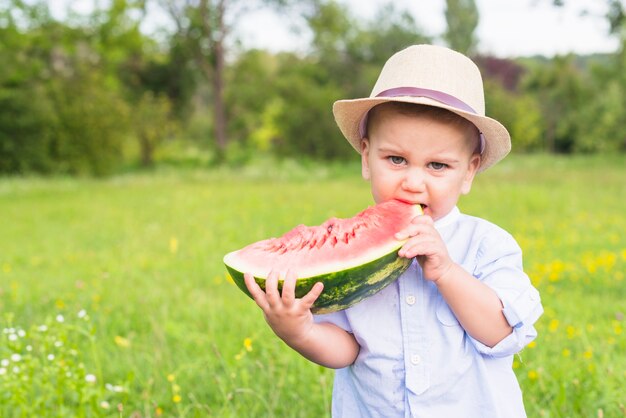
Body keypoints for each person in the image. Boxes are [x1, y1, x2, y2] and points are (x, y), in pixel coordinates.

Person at [244, 44, 543, 417]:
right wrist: (299, 331)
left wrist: (447, 272)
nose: (413, 183)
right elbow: (346, 349)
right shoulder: (349, 257)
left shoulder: (488, 245)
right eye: (396, 159)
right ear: (366, 158)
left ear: (469, 171)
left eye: (437, 166)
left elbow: (501, 332)